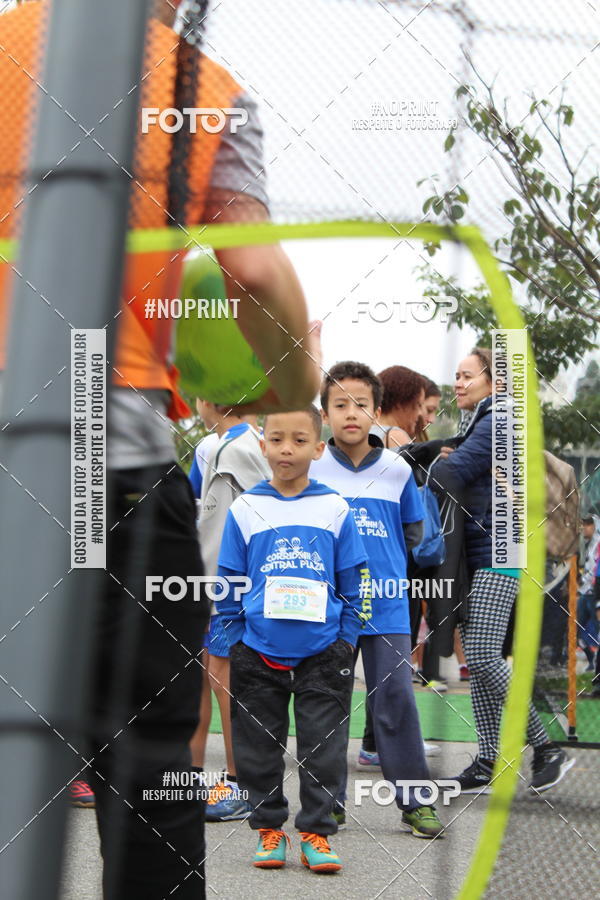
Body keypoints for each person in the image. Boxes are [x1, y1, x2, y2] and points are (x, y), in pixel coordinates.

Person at [0, 2, 321, 896]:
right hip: (109, 457)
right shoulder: (199, 88)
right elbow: (252, 267)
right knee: (150, 773)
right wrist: (298, 388)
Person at [216, 406, 369, 872]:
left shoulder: (336, 507)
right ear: (262, 444)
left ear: (319, 448)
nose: (286, 448)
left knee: (322, 749)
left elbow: (354, 581)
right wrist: (233, 638)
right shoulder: (245, 507)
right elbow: (229, 579)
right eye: (277, 438)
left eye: (299, 440)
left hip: (324, 652)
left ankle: (316, 833)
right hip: (257, 650)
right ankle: (268, 830)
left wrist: (346, 639)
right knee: (258, 746)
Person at [431, 348, 574, 795]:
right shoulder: (479, 422)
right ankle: (491, 760)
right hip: (485, 553)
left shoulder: (497, 420)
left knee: (487, 656)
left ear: (494, 382)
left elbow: (453, 473)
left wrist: (437, 460)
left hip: (502, 553)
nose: (458, 383)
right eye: (455, 375)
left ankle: (547, 747)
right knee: (479, 654)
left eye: (467, 376)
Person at [312, 361, 445, 838]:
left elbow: (415, 534)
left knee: (394, 701)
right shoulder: (312, 467)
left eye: (362, 404)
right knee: (327, 702)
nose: (351, 413)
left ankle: (416, 803)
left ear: (376, 411)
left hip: (387, 603)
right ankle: (325, 804)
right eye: (340, 404)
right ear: (325, 413)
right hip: (326, 606)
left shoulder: (396, 469)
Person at [189, 400, 270, 821]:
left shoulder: (227, 448)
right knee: (210, 677)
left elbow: (211, 528)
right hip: (236, 584)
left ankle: (240, 786)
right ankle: (194, 779)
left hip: (224, 586)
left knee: (222, 679)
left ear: (210, 400)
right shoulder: (248, 443)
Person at [371, 365, 425, 448]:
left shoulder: (362, 431)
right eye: (418, 405)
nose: (420, 413)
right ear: (400, 404)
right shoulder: (395, 435)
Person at [577, 515, 600, 670]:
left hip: (594, 593)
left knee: (598, 630)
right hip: (585, 592)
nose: (584, 528)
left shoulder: (597, 543)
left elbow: (595, 569)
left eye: (588, 525)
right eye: (583, 525)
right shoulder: (585, 544)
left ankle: (595, 663)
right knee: (575, 629)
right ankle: (591, 659)